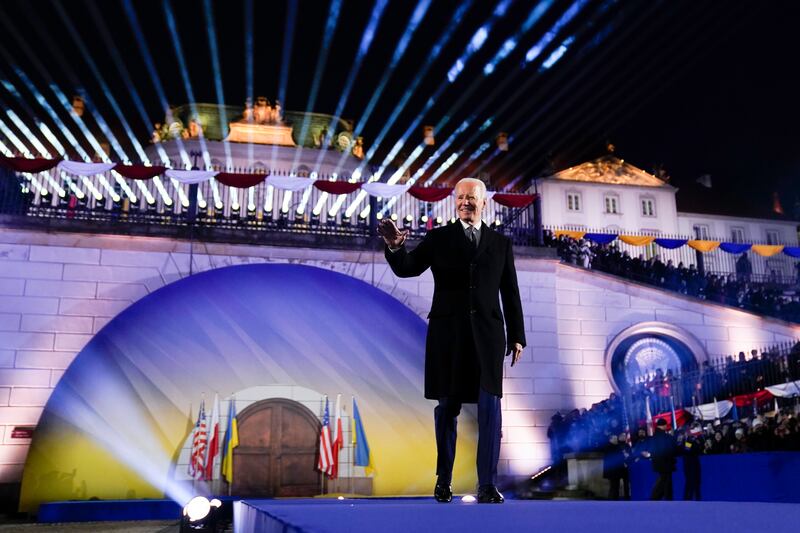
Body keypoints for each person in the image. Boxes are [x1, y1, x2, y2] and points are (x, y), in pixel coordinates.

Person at [378, 177, 526, 504]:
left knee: (491, 410)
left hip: (487, 338)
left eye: (471, 198)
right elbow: (408, 268)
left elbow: (510, 292)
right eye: (460, 198)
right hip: (449, 337)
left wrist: (517, 335)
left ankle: (487, 484)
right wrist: (395, 247)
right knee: (447, 410)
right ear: (454, 201)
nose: (464, 203)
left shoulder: (500, 244)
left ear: (483, 203)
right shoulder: (439, 238)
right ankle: (443, 480)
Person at [643, 418, 678, 500]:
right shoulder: (667, 437)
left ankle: (661, 498)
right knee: (665, 481)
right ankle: (656, 498)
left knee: (665, 481)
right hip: (666, 463)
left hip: (658, 463)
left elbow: (651, 450)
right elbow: (673, 449)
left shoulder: (653, 437)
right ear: (664, 426)